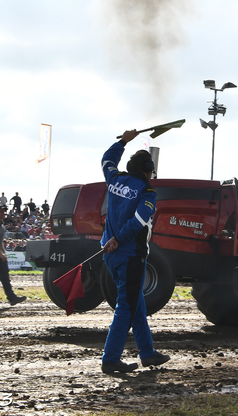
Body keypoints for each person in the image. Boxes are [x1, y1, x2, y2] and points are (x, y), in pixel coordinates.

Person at [99, 129, 170, 374]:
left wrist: (122, 141)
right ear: (146, 170)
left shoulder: (115, 179)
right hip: (130, 255)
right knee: (126, 307)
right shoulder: (147, 192)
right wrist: (120, 238)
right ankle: (110, 359)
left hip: (109, 252)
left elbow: (107, 160)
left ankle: (147, 352)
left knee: (135, 301)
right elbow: (140, 220)